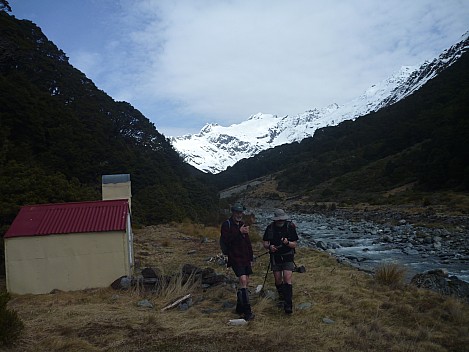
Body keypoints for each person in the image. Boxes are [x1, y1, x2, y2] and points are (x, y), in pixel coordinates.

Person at [220, 203, 255, 320]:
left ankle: (239, 308)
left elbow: (248, 243)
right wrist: (239, 232)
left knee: (245, 283)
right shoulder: (226, 225)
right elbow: (227, 241)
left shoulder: (243, 225)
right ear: (233, 212)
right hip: (235, 258)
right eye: (237, 212)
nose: (239, 215)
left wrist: (251, 257)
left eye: (241, 213)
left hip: (245, 258)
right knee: (243, 280)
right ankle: (248, 312)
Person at [263, 208, 298, 314]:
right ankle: (282, 297)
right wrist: (270, 247)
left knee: (287, 278)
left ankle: (288, 305)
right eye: (279, 219)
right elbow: (265, 243)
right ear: (275, 220)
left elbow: (294, 244)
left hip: (288, 256)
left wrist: (287, 243)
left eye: (282, 219)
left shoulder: (290, 226)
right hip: (275, 257)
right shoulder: (270, 228)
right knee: (278, 279)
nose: (280, 221)